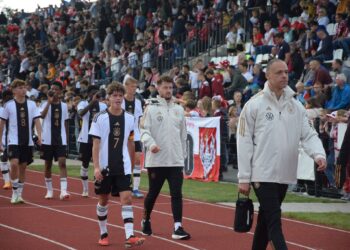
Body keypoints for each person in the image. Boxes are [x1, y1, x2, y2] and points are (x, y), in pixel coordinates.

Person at [237, 59, 327, 250]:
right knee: (274, 222)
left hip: (285, 174)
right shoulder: (254, 105)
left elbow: (309, 134)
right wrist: (244, 177)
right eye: (278, 72)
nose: (284, 75)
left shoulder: (296, 106)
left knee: (265, 221)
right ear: (268, 75)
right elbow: (243, 142)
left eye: (286, 72)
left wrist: (318, 154)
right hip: (261, 173)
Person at [89, 83, 145, 248]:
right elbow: (96, 144)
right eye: (114, 95)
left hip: (123, 167)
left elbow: (131, 141)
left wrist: (132, 159)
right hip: (105, 167)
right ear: (108, 98)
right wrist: (97, 167)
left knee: (126, 199)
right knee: (103, 200)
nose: (118, 98)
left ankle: (130, 236)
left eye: (120, 95)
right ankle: (103, 233)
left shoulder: (129, 117)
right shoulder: (99, 117)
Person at [140, 75, 190, 240]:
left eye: (170, 87)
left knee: (177, 194)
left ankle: (178, 227)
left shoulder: (179, 109)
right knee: (153, 193)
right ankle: (146, 220)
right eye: (165, 87)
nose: (168, 90)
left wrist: (182, 156)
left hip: (175, 160)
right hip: (157, 160)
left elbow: (183, 136)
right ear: (158, 88)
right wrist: (151, 144)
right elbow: (143, 130)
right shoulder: (151, 108)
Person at [0, 79, 42, 204]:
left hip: (27, 141)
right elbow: (1, 124)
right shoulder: (9, 105)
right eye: (19, 87)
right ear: (14, 90)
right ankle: (14, 192)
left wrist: (40, 135)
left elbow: (37, 121)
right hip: (13, 140)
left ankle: (19, 194)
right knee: (14, 164)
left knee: (23, 167)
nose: (23, 89)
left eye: (24, 87)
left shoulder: (32, 104)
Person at [40, 82, 70, 200]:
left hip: (60, 139)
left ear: (61, 92)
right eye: (51, 89)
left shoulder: (64, 105)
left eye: (56, 89)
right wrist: (49, 102)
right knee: (48, 165)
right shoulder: (44, 104)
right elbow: (41, 116)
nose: (53, 91)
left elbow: (66, 121)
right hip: (47, 139)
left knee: (62, 162)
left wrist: (66, 137)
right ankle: (49, 190)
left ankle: (63, 191)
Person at [77, 85, 107, 197]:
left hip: (99, 139)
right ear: (89, 94)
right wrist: (92, 103)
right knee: (85, 163)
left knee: (99, 164)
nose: (96, 94)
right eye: (94, 92)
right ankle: (85, 189)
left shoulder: (103, 105)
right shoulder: (83, 103)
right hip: (85, 138)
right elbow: (80, 114)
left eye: (97, 92)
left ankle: (98, 187)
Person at [121, 77, 144, 198]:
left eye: (135, 87)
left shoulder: (138, 102)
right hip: (123, 134)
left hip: (135, 134)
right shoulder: (121, 101)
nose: (134, 89)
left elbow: (140, 119)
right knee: (125, 160)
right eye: (131, 86)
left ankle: (135, 188)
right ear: (126, 86)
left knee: (137, 159)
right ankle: (124, 185)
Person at [0, 90, 13, 189]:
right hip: (4, 139)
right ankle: (7, 181)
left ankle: (11, 181)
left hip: (11, 139)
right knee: (4, 160)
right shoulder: (2, 110)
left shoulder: (13, 109)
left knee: (10, 160)